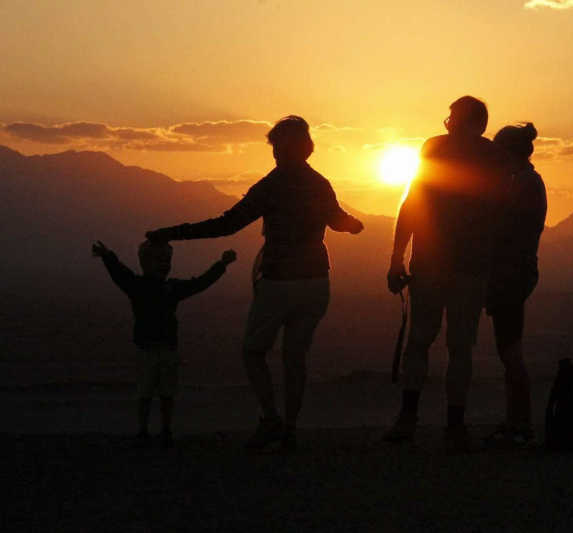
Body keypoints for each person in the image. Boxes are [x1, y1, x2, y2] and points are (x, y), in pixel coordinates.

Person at [145, 116, 363, 451]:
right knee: (295, 358)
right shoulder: (320, 183)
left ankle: (271, 419)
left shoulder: (271, 185)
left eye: (276, 147)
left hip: (279, 282)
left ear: (284, 148)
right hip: (316, 281)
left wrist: (170, 233)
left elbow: (227, 225)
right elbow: (339, 221)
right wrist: (353, 224)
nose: (274, 154)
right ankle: (290, 429)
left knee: (253, 351)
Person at [385, 96, 511, 453]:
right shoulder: (495, 158)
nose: (449, 122)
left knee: (421, 341)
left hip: (434, 262)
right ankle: (453, 426)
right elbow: (503, 216)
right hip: (469, 267)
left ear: (460, 121)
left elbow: (413, 202)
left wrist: (397, 256)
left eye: (453, 117)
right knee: (459, 347)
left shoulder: (434, 148)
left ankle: (409, 420)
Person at [92, 239, 236, 448]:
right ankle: (143, 430)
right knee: (145, 393)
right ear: (146, 262)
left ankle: (164, 430)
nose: (164, 264)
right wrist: (107, 256)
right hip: (147, 350)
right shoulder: (139, 286)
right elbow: (120, 273)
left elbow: (199, 283)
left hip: (167, 349)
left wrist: (221, 265)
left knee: (166, 393)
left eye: (166, 260)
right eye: (159, 260)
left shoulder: (171, 287)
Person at [484, 123, 547, 449]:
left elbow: (506, 229)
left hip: (511, 273)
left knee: (510, 351)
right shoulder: (524, 181)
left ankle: (521, 424)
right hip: (515, 272)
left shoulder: (523, 184)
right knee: (508, 349)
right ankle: (515, 422)